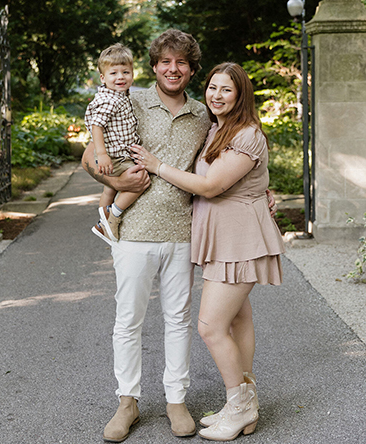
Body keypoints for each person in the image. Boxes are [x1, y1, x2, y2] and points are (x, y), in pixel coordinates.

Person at [82, 32, 277, 442]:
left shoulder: (204, 114)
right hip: (133, 232)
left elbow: (230, 162)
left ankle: (176, 401)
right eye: (165, 62)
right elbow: (90, 157)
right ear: (153, 66)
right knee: (128, 320)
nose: (173, 69)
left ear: (191, 70)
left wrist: (262, 190)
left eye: (182, 63)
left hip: (187, 234)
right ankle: (127, 402)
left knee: (179, 321)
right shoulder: (127, 101)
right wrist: (115, 177)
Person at [131, 62, 285, 442]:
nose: (216, 95)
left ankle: (240, 404)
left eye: (226, 90)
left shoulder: (246, 134)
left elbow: (212, 186)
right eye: (212, 87)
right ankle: (243, 406)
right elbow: (246, 179)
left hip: (240, 238)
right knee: (236, 321)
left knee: (210, 326)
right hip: (223, 236)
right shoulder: (219, 127)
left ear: (240, 95)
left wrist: (157, 165)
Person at [84, 43, 146, 245]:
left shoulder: (119, 95)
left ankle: (104, 225)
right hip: (115, 156)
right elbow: (96, 125)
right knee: (140, 180)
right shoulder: (109, 100)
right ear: (102, 78)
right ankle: (112, 217)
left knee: (109, 190)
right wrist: (101, 154)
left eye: (125, 72)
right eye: (114, 73)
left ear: (132, 74)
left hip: (115, 154)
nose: (120, 77)